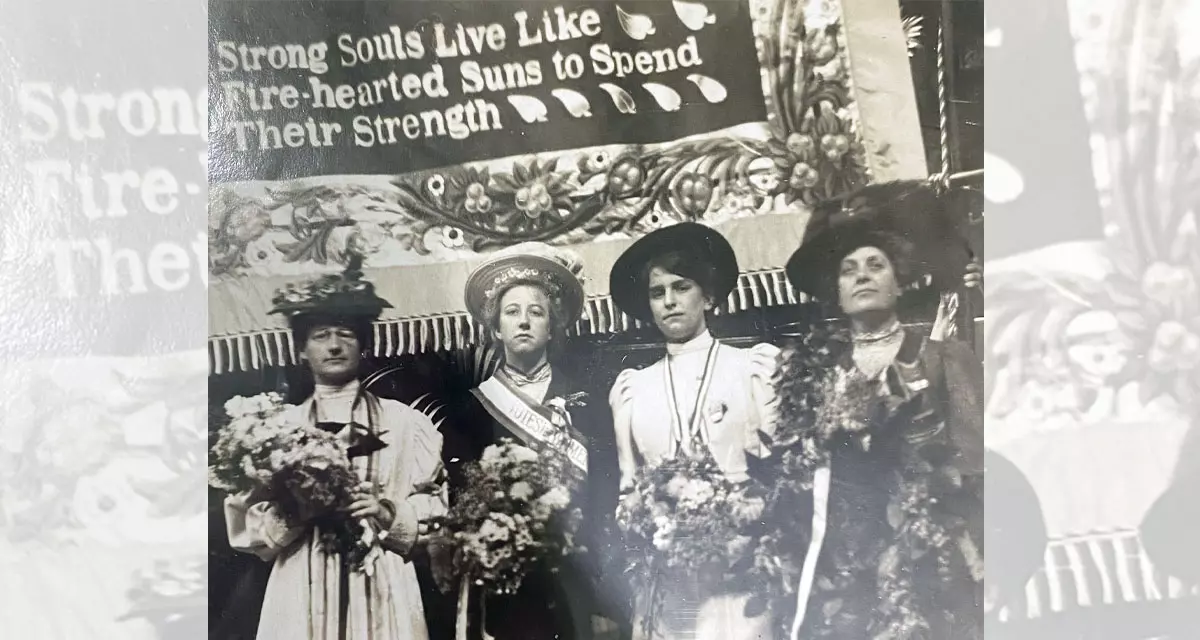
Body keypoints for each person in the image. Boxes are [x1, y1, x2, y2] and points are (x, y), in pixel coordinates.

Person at [782, 180, 984, 639]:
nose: (863, 276)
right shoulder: (813, 375)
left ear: (899, 281)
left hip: (928, 552)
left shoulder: (940, 357)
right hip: (845, 559)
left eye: (877, 265)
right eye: (849, 270)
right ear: (836, 291)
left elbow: (974, 466)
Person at [222, 258, 448, 640]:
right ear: (301, 350)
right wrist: (296, 511)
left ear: (363, 344)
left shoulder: (406, 423)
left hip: (384, 584)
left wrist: (388, 512)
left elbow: (438, 507)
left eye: (346, 333)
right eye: (320, 335)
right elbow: (245, 526)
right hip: (301, 584)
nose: (334, 345)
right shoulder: (277, 428)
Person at [607, 222, 794, 640]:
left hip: (740, 572)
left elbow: (782, 477)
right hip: (666, 577)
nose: (670, 302)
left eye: (682, 287)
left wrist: (742, 530)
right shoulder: (634, 387)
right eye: (658, 293)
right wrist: (648, 524)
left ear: (708, 296)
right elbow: (628, 489)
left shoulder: (751, 368)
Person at [447, 242, 622, 640]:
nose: (523, 322)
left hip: (577, 575)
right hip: (505, 574)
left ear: (551, 328)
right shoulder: (472, 410)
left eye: (536, 312)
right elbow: (461, 497)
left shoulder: (589, 402)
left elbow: (605, 490)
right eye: (512, 313)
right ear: (496, 328)